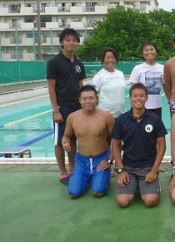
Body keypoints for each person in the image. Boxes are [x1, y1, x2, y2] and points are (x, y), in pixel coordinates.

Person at [112, 83, 167, 207]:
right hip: (128, 168)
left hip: (148, 168)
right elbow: (116, 144)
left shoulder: (154, 119)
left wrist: (154, 170)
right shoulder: (122, 119)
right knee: (123, 202)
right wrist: (121, 170)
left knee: (150, 201)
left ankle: (147, 184)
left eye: (141, 96)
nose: (138, 99)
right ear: (130, 98)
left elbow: (162, 146)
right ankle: (135, 185)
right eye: (135, 96)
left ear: (146, 98)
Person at [47, 28, 86, 184]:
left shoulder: (78, 63)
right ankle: (63, 171)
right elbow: (51, 87)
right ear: (62, 42)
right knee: (60, 141)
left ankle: (73, 169)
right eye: (68, 40)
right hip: (62, 107)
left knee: (73, 140)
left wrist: (83, 106)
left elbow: (81, 85)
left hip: (77, 107)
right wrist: (56, 110)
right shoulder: (54, 63)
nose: (71, 42)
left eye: (74, 40)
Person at [61, 85, 115, 198]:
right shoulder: (72, 117)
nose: (88, 101)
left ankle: (100, 177)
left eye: (91, 98)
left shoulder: (106, 117)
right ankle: (90, 177)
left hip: (101, 159)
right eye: (84, 99)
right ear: (79, 100)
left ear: (97, 99)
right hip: (81, 160)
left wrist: (109, 161)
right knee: (73, 193)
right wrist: (65, 142)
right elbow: (66, 136)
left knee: (98, 192)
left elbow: (116, 141)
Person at [129, 42, 164, 117]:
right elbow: (132, 91)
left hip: (157, 107)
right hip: (140, 107)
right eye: (146, 50)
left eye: (152, 49)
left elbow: (166, 85)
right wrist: (132, 108)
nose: (149, 52)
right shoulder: (137, 69)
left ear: (156, 52)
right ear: (142, 53)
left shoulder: (162, 68)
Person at [92, 47, 126, 119]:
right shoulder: (99, 76)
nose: (110, 60)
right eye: (107, 57)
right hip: (106, 117)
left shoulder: (120, 74)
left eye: (112, 57)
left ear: (116, 59)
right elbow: (92, 95)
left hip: (121, 115)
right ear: (103, 60)